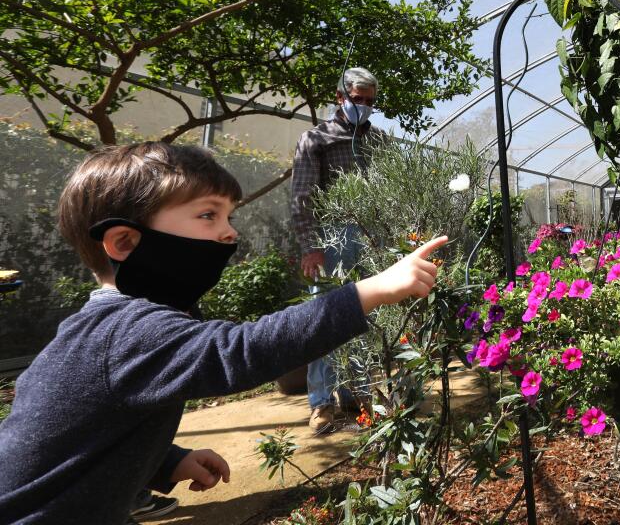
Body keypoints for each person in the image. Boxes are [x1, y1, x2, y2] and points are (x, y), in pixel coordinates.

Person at [0, 142, 443, 525]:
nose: (229, 231)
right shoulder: (128, 330)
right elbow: (239, 351)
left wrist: (168, 461)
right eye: (208, 215)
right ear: (126, 243)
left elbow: (83, 431)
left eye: (228, 216)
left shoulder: (102, 329)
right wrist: (369, 291)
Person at [291, 67, 384, 433]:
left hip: (370, 235)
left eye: (369, 101)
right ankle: (321, 403)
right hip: (332, 239)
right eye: (356, 99)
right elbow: (302, 197)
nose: (362, 106)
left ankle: (356, 393)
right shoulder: (317, 138)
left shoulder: (379, 142)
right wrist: (310, 247)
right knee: (326, 321)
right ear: (340, 97)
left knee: (364, 318)